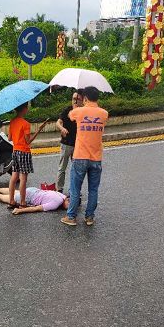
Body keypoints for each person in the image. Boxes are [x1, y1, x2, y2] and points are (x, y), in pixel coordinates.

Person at [61, 86, 109, 227]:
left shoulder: (79, 111)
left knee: (75, 188)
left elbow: (70, 116)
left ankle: (71, 217)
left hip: (80, 156)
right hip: (96, 157)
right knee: (93, 189)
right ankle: (89, 217)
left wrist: (76, 104)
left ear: (85, 98)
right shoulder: (104, 113)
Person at [8, 103, 48, 209]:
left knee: (14, 177)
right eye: (27, 108)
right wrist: (39, 129)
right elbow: (28, 141)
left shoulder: (12, 121)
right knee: (23, 178)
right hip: (24, 152)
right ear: (24, 109)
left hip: (15, 151)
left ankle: (11, 201)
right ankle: (22, 202)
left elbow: (9, 138)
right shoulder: (25, 124)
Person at [0, 185, 69, 214]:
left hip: (33, 190)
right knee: (1, 198)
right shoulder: (56, 203)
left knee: (15, 192)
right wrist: (20, 210)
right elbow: (37, 208)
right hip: (28, 197)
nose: (68, 209)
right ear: (68, 200)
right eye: (70, 206)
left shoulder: (61, 195)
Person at [55, 90, 83, 193]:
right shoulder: (67, 110)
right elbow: (58, 123)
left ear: (83, 101)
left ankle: (75, 190)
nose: (75, 101)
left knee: (76, 169)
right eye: (73, 99)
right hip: (66, 144)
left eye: (78, 99)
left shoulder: (83, 112)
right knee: (62, 168)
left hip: (78, 145)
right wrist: (62, 129)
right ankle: (59, 190)